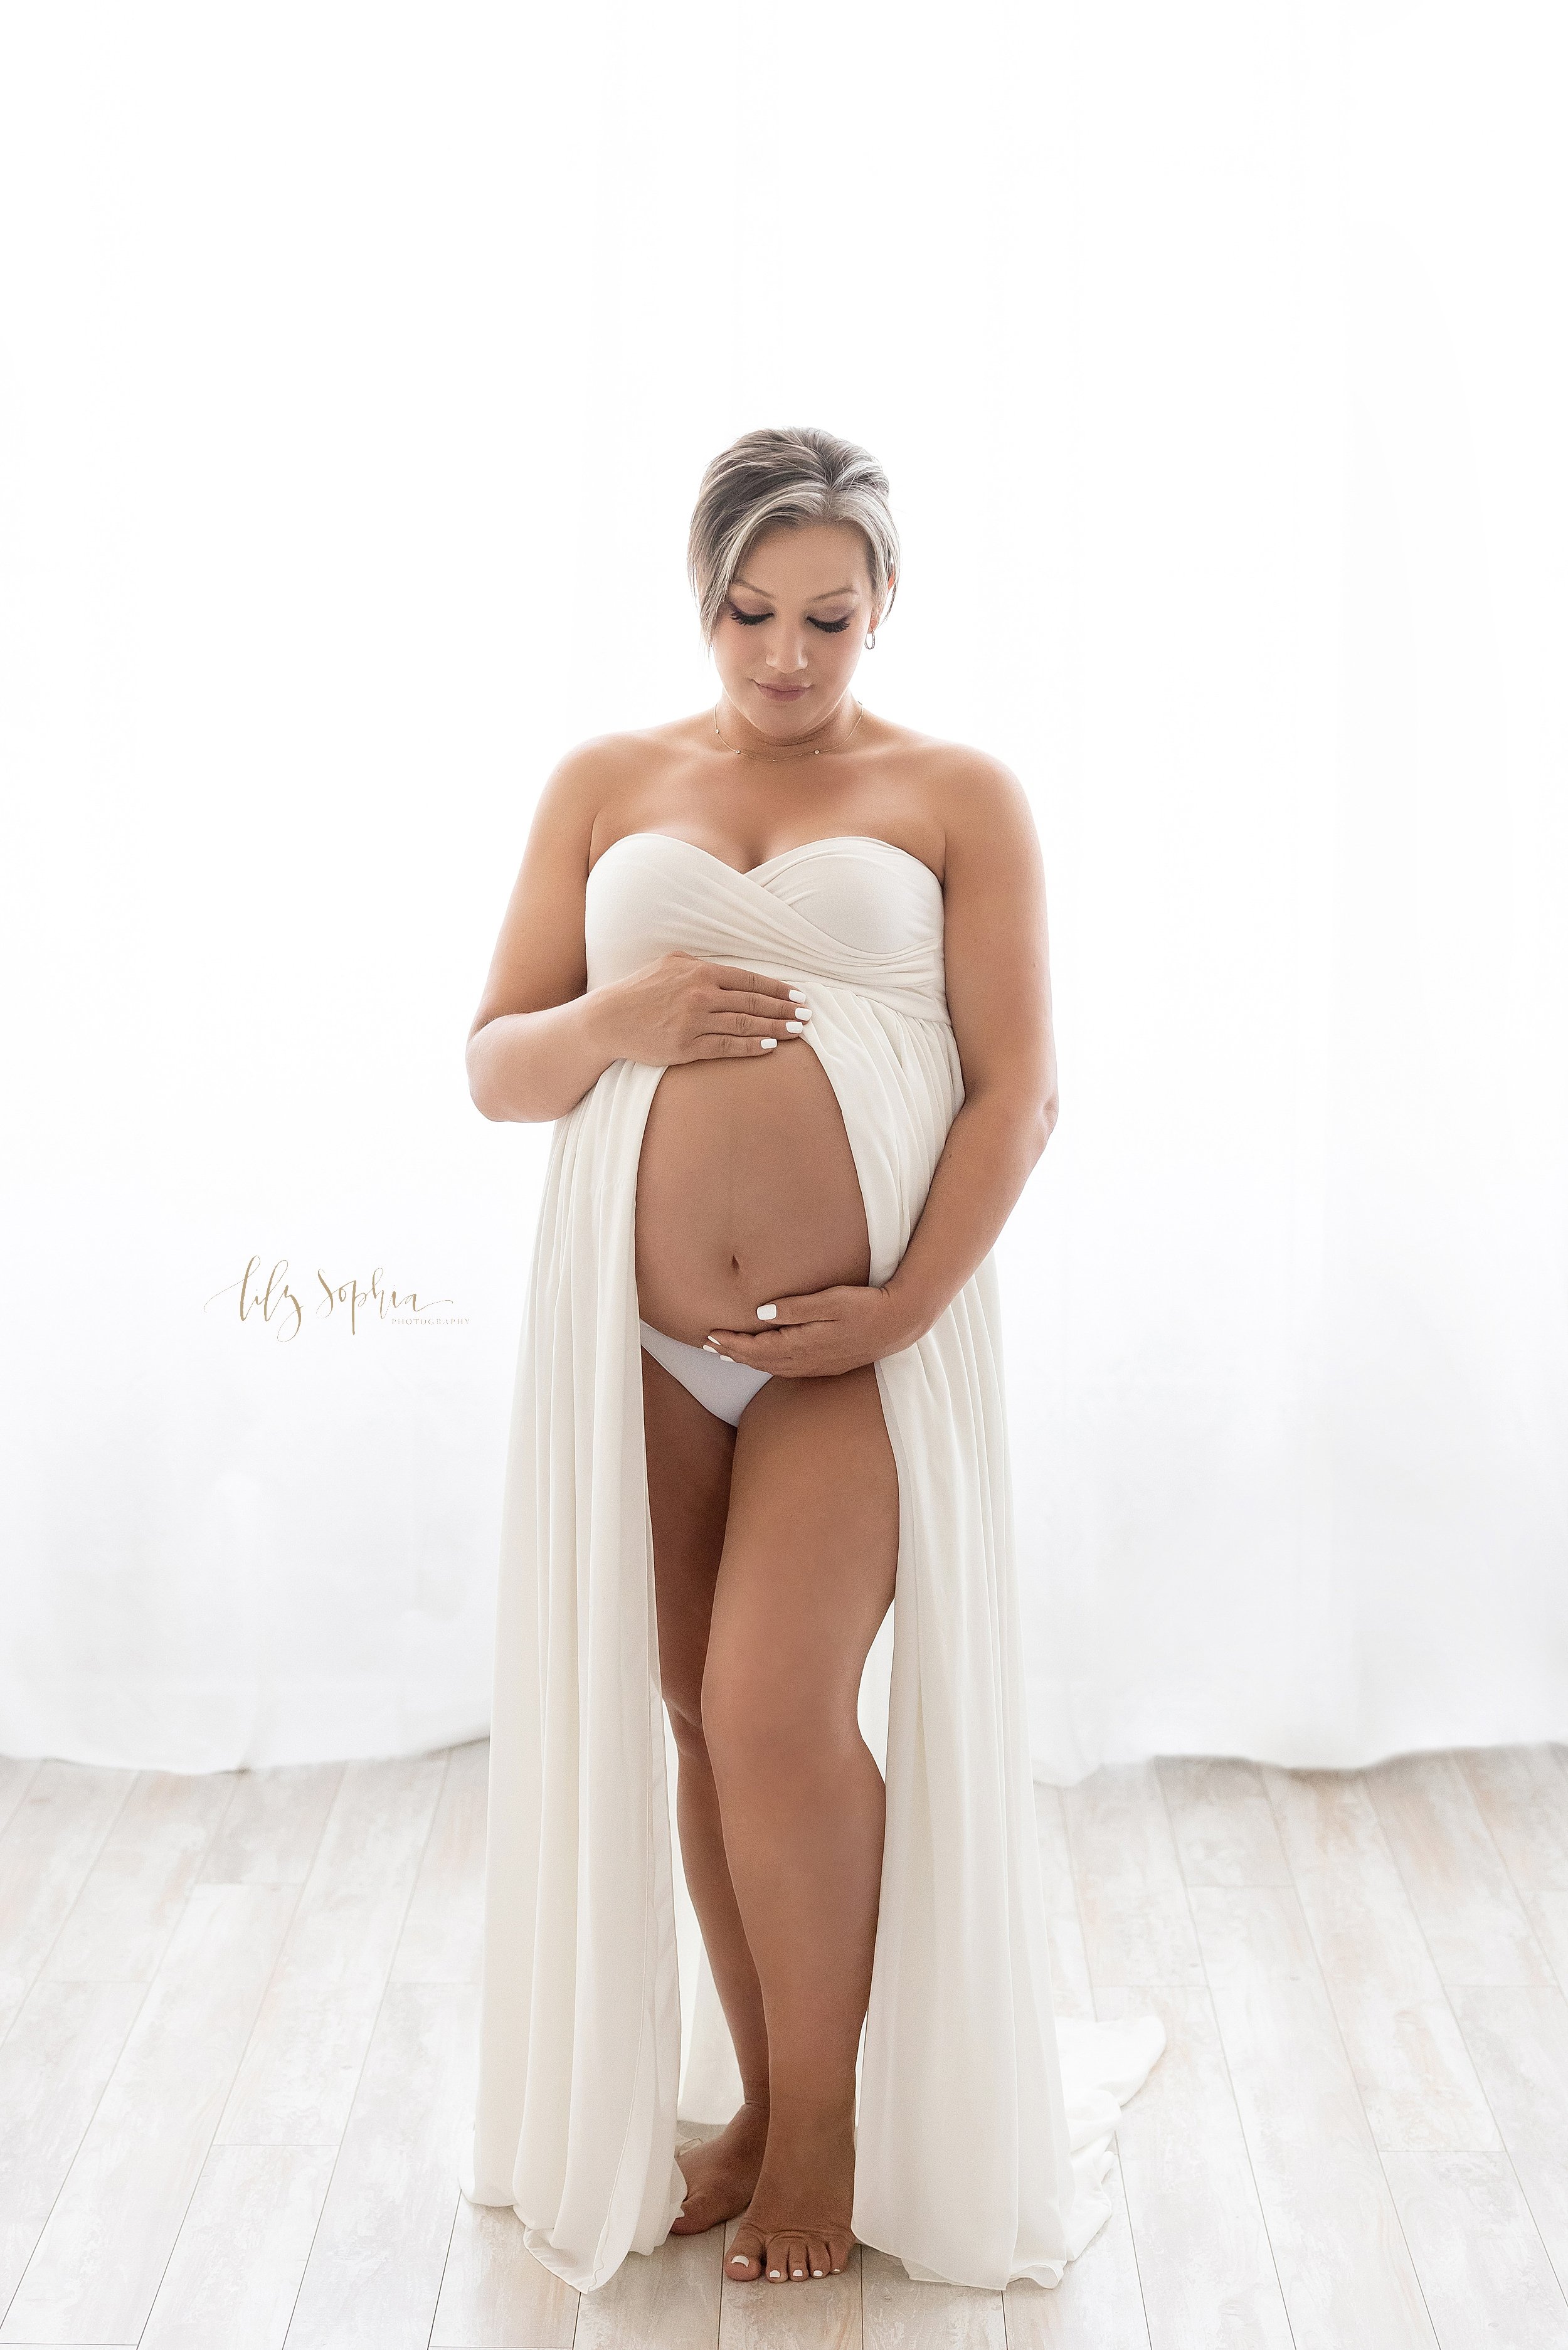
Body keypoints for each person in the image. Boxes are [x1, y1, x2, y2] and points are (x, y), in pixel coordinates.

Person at [459, 425, 1162, 2295]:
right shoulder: (606, 782)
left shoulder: (955, 794)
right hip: (639, 1339)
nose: (785, 656)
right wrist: (617, 1017)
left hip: (855, 1348)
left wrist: (912, 1298)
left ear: (884, 605)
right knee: (699, 1716)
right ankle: (764, 2100)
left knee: (775, 1711)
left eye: (827, 618)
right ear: (700, 600)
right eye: (750, 613)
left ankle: (833, 2124)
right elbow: (495, 1065)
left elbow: (1021, 1085)